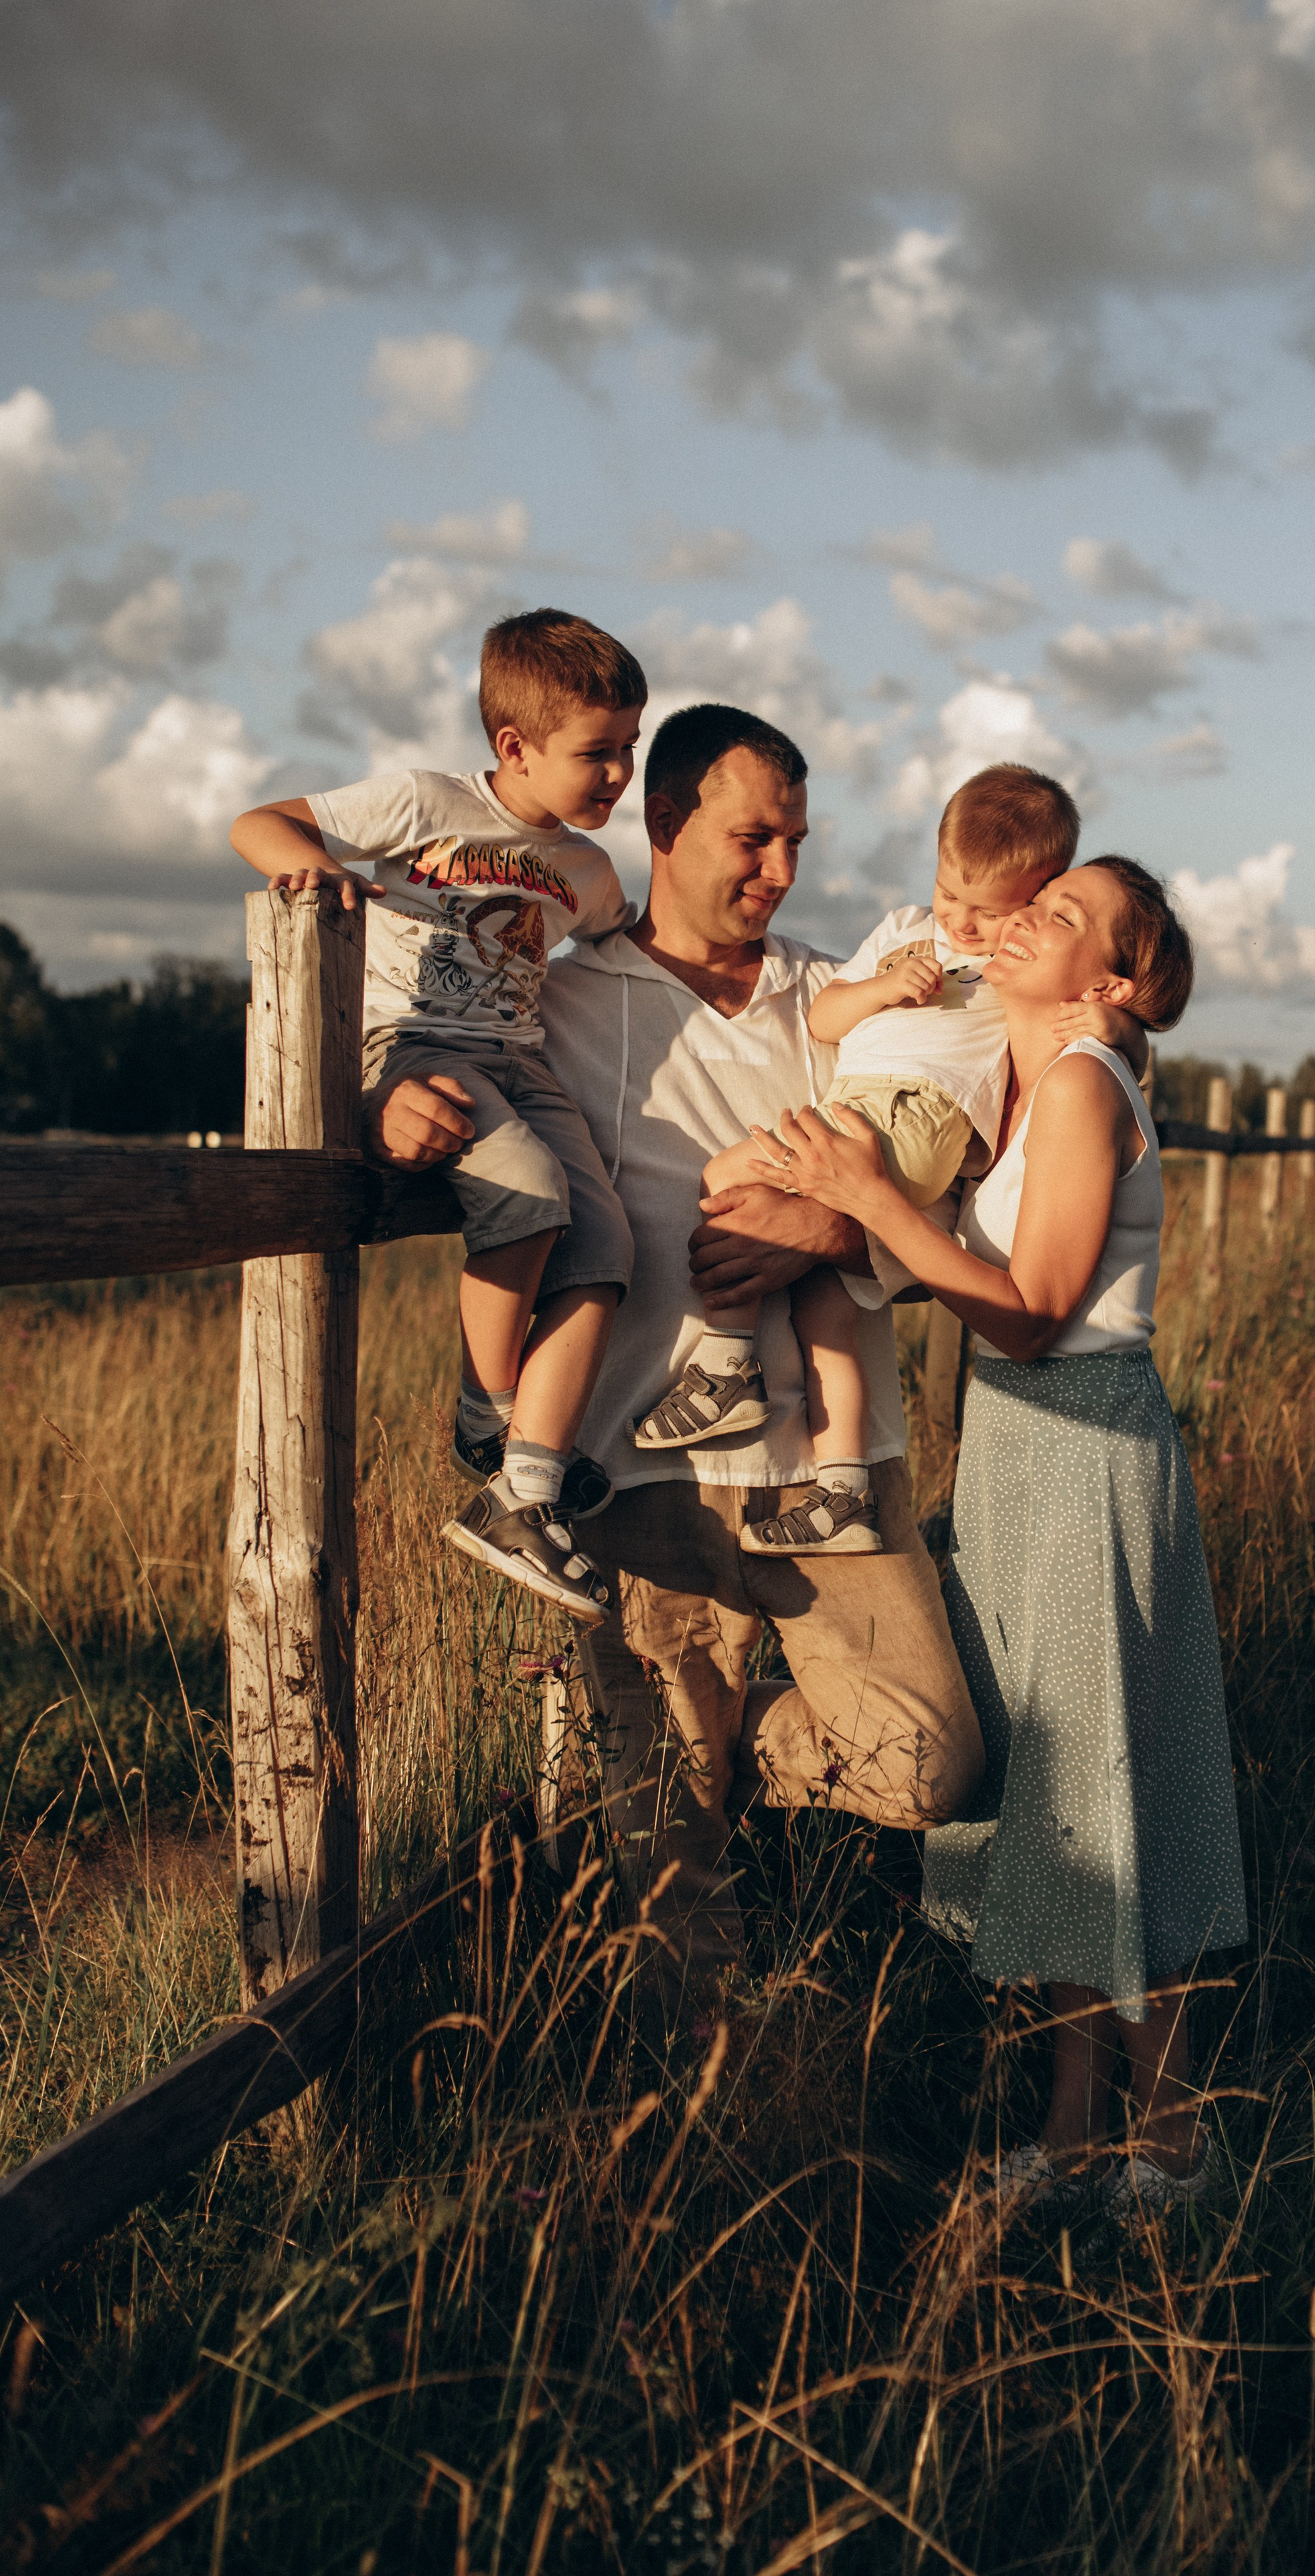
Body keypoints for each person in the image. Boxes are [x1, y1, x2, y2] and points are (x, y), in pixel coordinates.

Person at [368, 700, 987, 2012]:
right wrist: (389, 1104)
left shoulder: (846, 1000)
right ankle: (700, 2075)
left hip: (827, 1463)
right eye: (754, 838)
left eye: (797, 841)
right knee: (667, 1850)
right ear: (662, 822)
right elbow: (431, 1072)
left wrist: (834, 1228)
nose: (782, 869)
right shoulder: (556, 992)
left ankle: (704, 1748)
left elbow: (955, 1174)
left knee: (928, 1760)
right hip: (638, 1470)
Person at [770, 856, 1247, 2219]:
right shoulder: (1026, 1079)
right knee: (1053, 1790)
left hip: (1083, 1442)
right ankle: (1072, 2135)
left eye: (1066, 913)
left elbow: (1033, 1310)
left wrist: (873, 1200)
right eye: (1038, 899)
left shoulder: (1087, 1081)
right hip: (1024, 1448)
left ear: (1111, 977)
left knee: (1106, 1786)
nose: (1031, 913)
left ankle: (1170, 2146)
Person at [231, 609, 646, 1629]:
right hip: (414, 1046)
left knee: (608, 1240)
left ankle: (526, 1486)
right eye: (597, 752)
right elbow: (258, 823)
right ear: (515, 745)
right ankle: (487, 1412)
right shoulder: (426, 801)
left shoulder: (589, 871)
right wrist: (317, 869)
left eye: (630, 748)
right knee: (530, 1192)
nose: (619, 775)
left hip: (522, 1060)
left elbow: (630, 948)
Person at [629, 764, 1086, 1561]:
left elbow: (1073, 1024)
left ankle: (728, 1360)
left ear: (1038, 896)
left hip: (912, 1113)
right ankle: (843, 1490)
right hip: (872, 1107)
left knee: (728, 1173)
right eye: (949, 894)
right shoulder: (905, 929)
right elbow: (826, 1015)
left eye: (988, 911)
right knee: (827, 1304)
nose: (961, 921)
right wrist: (885, 986)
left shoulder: (1016, 967)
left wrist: (1103, 1027)